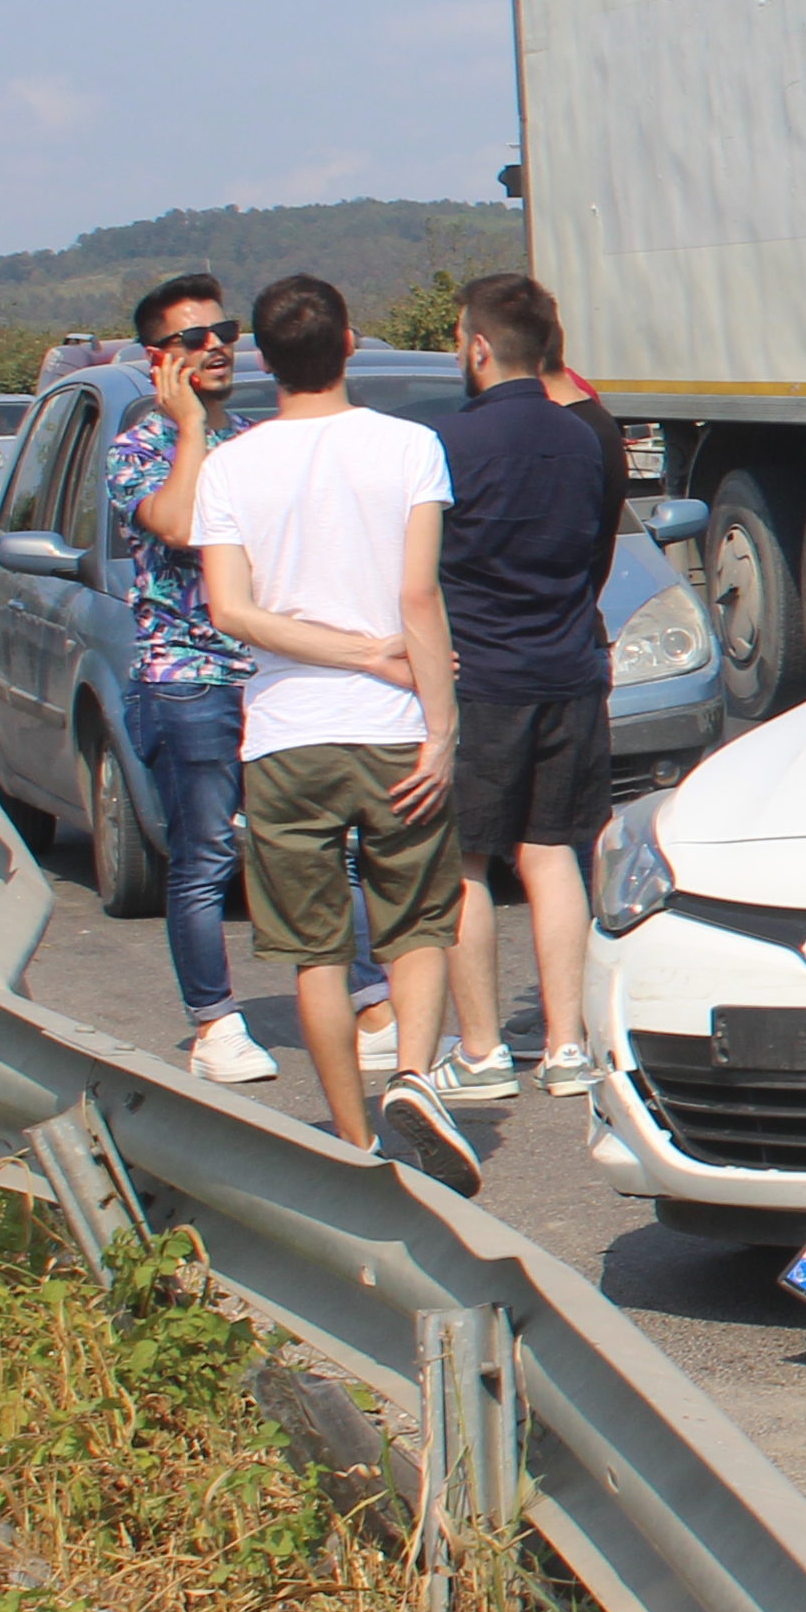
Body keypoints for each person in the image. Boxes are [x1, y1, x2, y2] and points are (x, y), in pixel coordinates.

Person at [192, 273, 480, 1199]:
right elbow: (417, 597)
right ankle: (414, 1082)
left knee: (315, 950)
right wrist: (436, 723)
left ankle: (353, 1139)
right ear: (350, 343)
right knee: (418, 922)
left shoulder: (230, 467)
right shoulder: (410, 446)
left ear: (259, 361)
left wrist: (341, 653)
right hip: (395, 727)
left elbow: (231, 611)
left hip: (282, 736)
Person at [425, 274, 622, 1102]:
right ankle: (565, 1047)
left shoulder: (447, 443)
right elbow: (596, 553)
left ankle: (479, 1052)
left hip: (484, 675)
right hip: (571, 667)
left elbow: (421, 571)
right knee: (553, 854)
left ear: (476, 346)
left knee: (465, 860)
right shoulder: (587, 436)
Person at [100, 271, 279, 1086]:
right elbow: (178, 524)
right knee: (204, 857)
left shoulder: (254, 440)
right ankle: (214, 1023)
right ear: (158, 360)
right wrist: (185, 428)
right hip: (187, 679)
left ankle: (370, 999)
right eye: (194, 339)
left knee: (323, 845)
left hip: (271, 674)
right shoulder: (139, 449)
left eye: (225, 333)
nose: (216, 348)